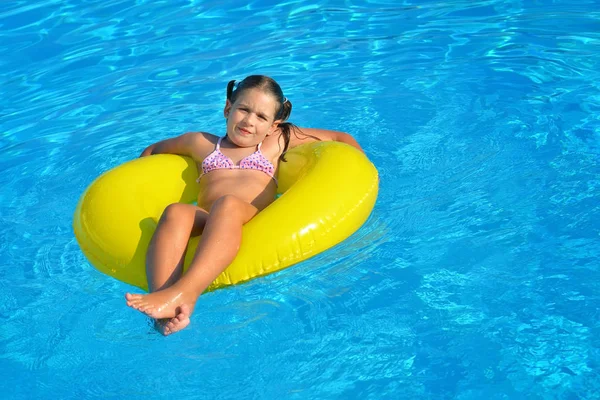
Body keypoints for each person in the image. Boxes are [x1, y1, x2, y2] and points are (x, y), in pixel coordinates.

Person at [125, 75, 364, 335]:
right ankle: (165, 308)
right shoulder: (201, 143)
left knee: (228, 204)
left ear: (274, 125)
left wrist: (359, 170)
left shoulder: (278, 140)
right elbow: (153, 150)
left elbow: (340, 138)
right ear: (228, 108)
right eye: (243, 109)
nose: (250, 121)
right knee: (176, 211)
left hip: (250, 217)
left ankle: (186, 293)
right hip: (209, 217)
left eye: (261, 117)